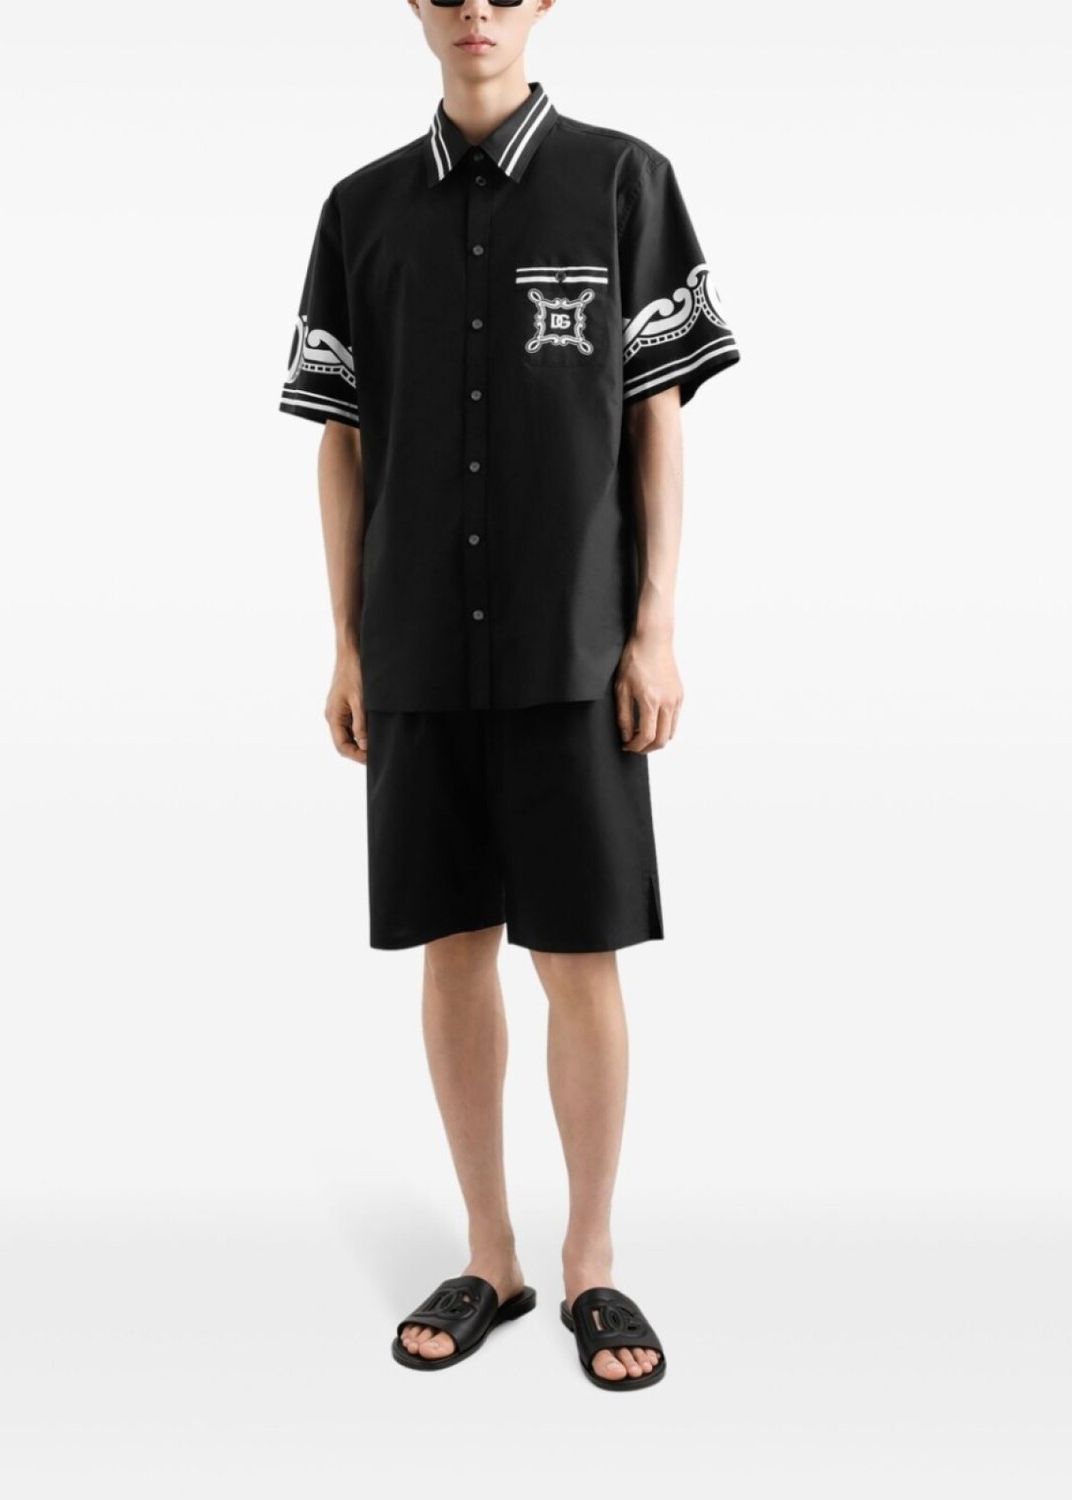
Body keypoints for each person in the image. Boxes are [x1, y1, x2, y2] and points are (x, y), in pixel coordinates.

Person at [278, 0, 740, 1390]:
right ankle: (492, 1253)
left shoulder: (622, 182)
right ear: (416, 8)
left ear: (542, 4)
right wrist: (348, 643)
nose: (474, 7)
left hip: (572, 644)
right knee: (452, 946)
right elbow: (342, 441)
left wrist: (653, 625)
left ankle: (592, 1260)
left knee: (578, 956)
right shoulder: (359, 211)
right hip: (417, 640)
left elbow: (656, 416)